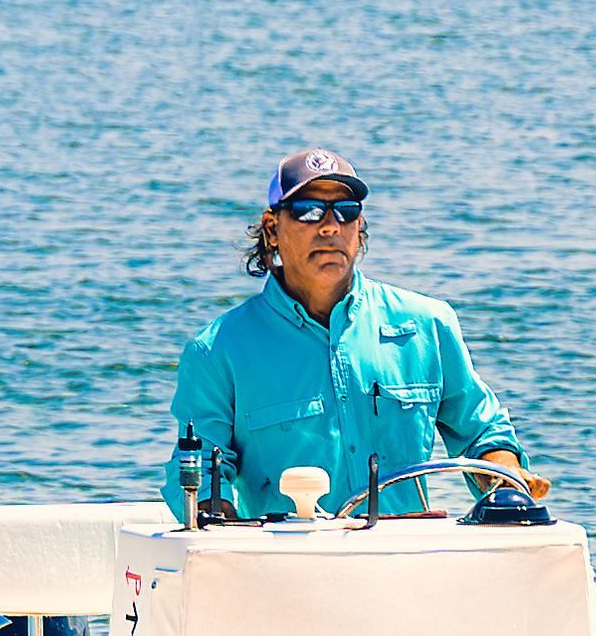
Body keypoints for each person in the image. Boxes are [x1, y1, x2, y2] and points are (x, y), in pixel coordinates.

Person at [166, 151, 544, 525]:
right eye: (309, 210)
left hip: (411, 561)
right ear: (271, 229)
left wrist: (504, 480)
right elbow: (199, 471)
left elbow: (482, 432)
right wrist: (213, 517)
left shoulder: (429, 324)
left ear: (359, 228)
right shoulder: (217, 351)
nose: (330, 226)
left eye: (345, 210)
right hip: (282, 567)